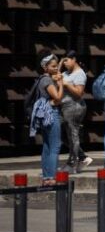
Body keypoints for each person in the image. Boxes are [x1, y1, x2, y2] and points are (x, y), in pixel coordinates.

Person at [31, 54, 64, 185]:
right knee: (55, 146)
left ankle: (46, 176)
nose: (56, 68)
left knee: (47, 146)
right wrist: (61, 85)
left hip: (44, 113)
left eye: (57, 66)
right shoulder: (47, 80)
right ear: (45, 67)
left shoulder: (42, 79)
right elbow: (57, 98)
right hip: (51, 113)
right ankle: (51, 176)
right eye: (53, 66)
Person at [59, 50, 93, 173]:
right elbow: (57, 76)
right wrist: (60, 63)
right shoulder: (65, 73)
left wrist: (67, 84)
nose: (65, 63)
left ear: (74, 59)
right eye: (63, 61)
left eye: (67, 60)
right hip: (64, 107)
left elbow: (79, 93)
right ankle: (83, 157)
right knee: (63, 134)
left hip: (75, 107)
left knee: (73, 134)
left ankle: (73, 161)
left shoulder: (80, 74)